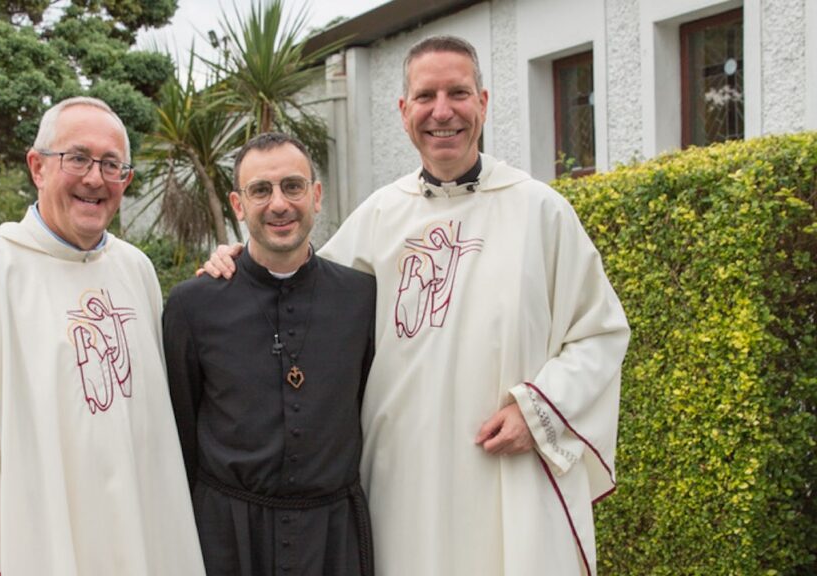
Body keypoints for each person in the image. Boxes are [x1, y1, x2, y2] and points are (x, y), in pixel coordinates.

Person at [201, 36, 630, 576]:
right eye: (426, 96)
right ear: (404, 111)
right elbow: (298, 288)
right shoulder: (380, 215)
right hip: (402, 479)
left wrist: (537, 408)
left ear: (484, 102)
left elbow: (600, 333)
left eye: (459, 93)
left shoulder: (540, 211)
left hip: (508, 473)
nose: (442, 111)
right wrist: (239, 258)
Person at [0, 97, 205, 576]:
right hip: (42, 545)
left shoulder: (137, 271)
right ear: (37, 167)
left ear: (126, 180)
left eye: (112, 165)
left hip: (140, 540)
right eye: (77, 158)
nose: (95, 178)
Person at [164, 132, 377, 576]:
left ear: (316, 196)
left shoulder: (362, 297)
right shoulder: (192, 305)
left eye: (292, 186)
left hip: (332, 538)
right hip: (228, 538)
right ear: (238, 205)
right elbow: (180, 430)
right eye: (260, 190)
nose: (279, 203)